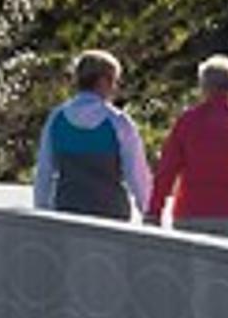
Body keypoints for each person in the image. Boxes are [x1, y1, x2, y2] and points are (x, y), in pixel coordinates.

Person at [147, 55, 228, 240]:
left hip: (191, 212)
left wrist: (155, 210)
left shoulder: (188, 122)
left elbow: (167, 169)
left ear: (203, 86)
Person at [29, 50, 153, 220]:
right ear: (103, 81)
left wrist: (41, 210)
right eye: (114, 81)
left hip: (67, 213)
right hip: (111, 216)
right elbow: (137, 175)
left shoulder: (56, 119)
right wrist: (148, 212)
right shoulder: (118, 121)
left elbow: (44, 171)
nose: (115, 87)